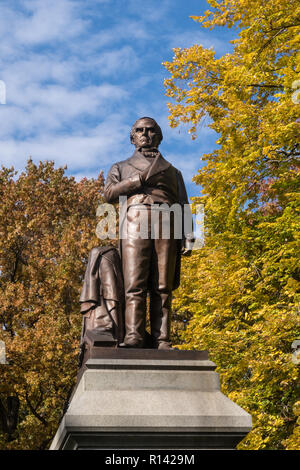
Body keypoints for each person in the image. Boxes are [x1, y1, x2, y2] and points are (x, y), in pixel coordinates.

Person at [104, 117, 193, 349]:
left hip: (167, 222)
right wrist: (138, 180)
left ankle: (162, 338)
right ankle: (134, 335)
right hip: (135, 221)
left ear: (159, 137)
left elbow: (183, 204)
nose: (146, 134)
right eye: (140, 130)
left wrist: (188, 235)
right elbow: (109, 194)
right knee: (135, 282)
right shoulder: (120, 167)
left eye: (151, 130)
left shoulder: (173, 172)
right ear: (133, 137)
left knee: (162, 285)